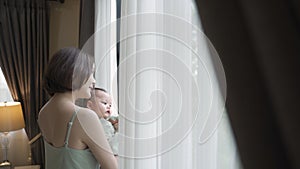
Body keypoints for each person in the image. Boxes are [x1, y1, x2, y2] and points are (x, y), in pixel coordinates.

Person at [38, 47, 117, 169]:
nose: (94, 80)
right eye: (91, 73)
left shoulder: (43, 112)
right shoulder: (84, 116)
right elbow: (112, 167)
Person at [86, 88, 119, 156]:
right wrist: (119, 130)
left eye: (110, 105)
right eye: (104, 103)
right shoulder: (101, 124)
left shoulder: (89, 122)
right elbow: (112, 148)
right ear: (89, 105)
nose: (108, 107)